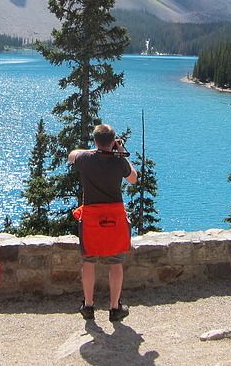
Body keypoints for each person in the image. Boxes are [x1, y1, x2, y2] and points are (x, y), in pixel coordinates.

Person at [69, 124, 138, 323]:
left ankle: (88, 306)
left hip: (91, 216)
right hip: (115, 216)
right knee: (116, 262)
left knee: (89, 260)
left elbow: (72, 154)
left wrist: (96, 150)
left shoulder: (85, 158)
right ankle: (115, 308)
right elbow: (133, 179)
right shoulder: (120, 161)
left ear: (95, 141)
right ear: (113, 141)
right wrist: (121, 153)